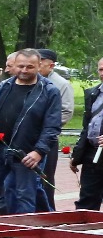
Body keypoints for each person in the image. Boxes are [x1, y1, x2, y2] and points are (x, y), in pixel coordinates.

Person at [0, 49, 63, 216]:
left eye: (30, 67)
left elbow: (52, 126)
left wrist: (39, 151)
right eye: (21, 66)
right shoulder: (2, 87)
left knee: (23, 195)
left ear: (39, 66)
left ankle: (23, 231)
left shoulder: (49, 91)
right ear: (14, 66)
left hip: (26, 152)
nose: (24, 70)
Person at [38, 49, 76, 194]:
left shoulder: (61, 84)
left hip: (47, 137)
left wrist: (48, 126)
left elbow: (66, 111)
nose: (37, 65)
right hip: (28, 137)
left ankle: (47, 210)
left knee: (45, 176)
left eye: (41, 62)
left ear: (51, 65)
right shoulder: (32, 80)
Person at [74, 57, 103, 211]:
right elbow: (87, 126)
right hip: (93, 154)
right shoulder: (93, 93)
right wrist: (77, 154)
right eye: (101, 69)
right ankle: (83, 231)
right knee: (87, 199)